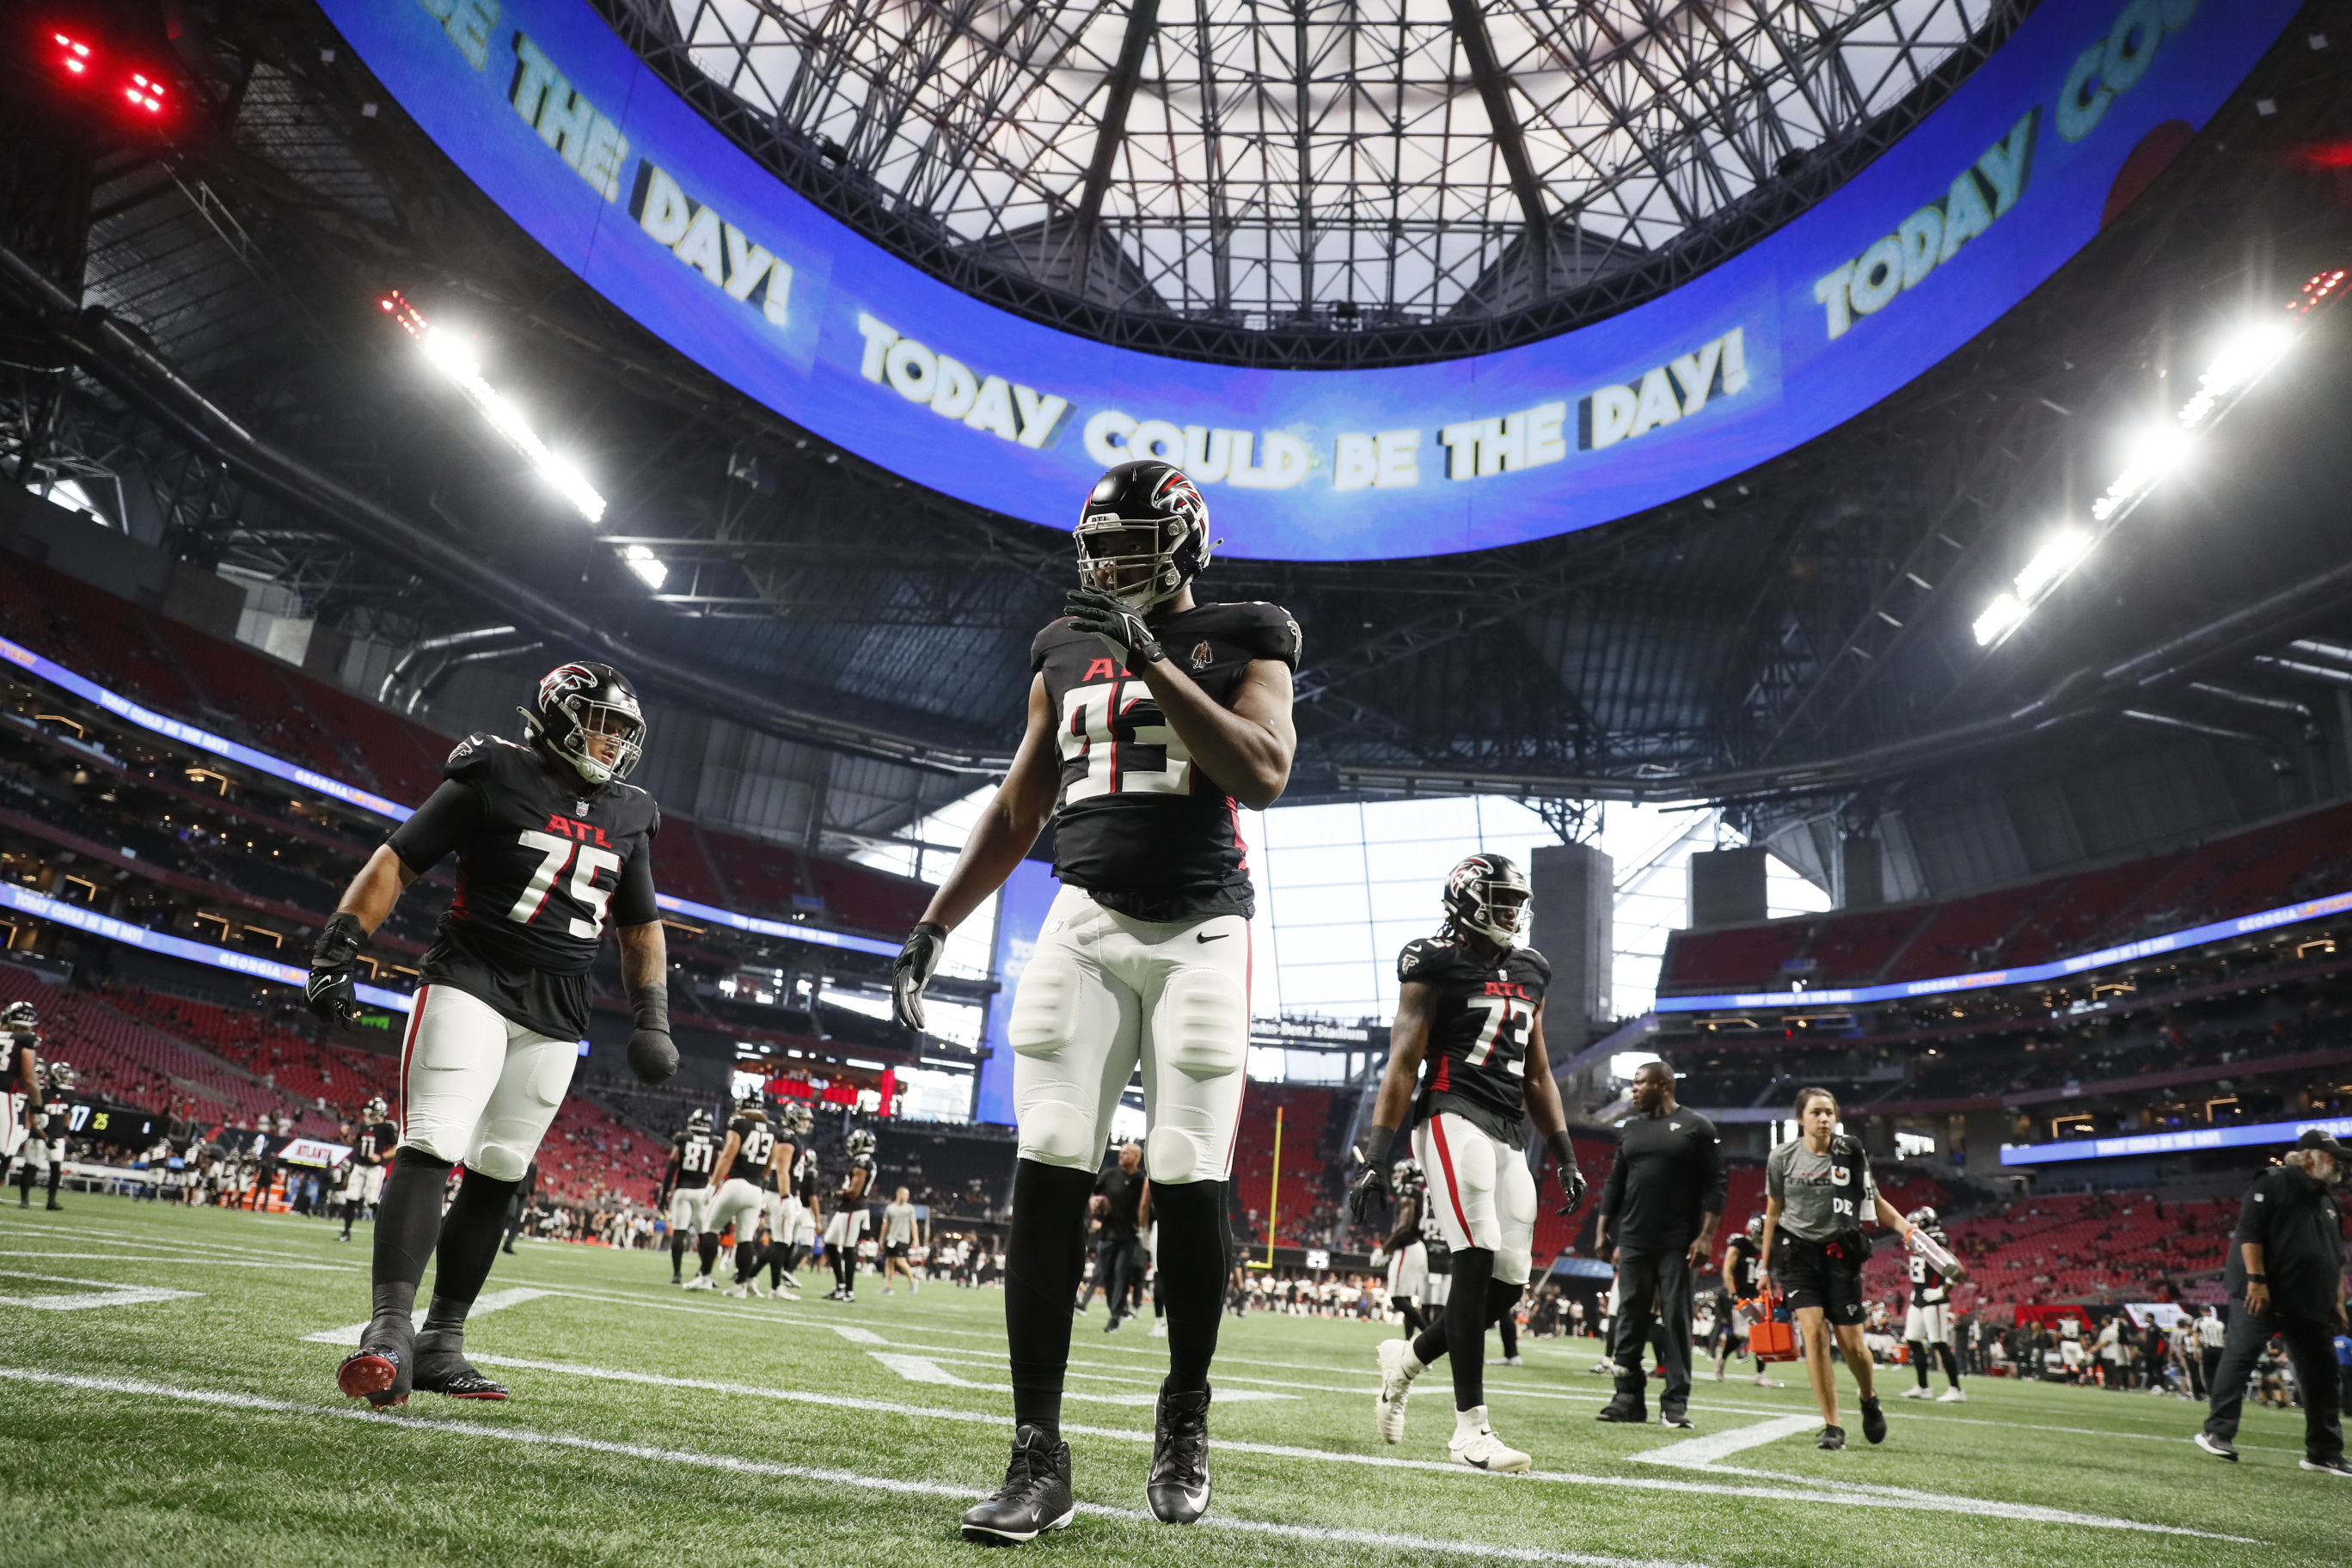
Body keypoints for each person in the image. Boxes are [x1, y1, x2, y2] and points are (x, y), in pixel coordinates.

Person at [891, 458, 1300, 1542]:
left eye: (1133, 542)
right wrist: (937, 921)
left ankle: (1184, 1416)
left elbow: (1261, 770)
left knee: (1184, 1168)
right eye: (1101, 544)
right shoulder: (1060, 650)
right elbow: (1021, 804)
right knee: (1053, 1153)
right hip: (1083, 919)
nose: (1113, 562)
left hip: (1201, 928)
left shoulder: (1248, 634)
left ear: (1182, 543)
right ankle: (1038, 1455)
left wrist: (1155, 656)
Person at [306, 661, 676, 1406]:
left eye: (620, 730)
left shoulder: (631, 812)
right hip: (471, 978)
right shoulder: (494, 771)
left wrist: (652, 1016)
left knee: (500, 1167)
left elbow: (639, 926)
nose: (609, 743)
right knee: (434, 1140)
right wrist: (337, 948)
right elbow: (397, 859)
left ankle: (444, 1342)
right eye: (597, 723)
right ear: (556, 716)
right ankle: (388, 1331)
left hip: (558, 1008)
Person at [1349, 854, 1588, 1473]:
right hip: (1451, 1113)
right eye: (1501, 900)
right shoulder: (1433, 960)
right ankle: (1470, 1432)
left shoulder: (1532, 969)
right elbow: (1404, 1061)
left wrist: (1563, 1153)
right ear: (1466, 900)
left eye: (1516, 901)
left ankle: (1403, 1365)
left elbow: (1537, 1072)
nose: (1512, 912)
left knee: (1508, 1282)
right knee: (1476, 1253)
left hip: (1508, 1126)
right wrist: (1378, 1155)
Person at [1755, 1087, 1920, 1450]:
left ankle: (1868, 1397)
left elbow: (1874, 1202)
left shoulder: (1849, 1153)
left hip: (1840, 1255)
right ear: (1801, 1118)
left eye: (1829, 1112)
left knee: (1853, 1346)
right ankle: (1833, 1425)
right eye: (1816, 1112)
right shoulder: (1781, 1157)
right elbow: (1773, 1212)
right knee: (1812, 1334)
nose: (1824, 1118)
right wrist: (1763, 1266)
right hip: (1798, 1254)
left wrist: (1906, 1228)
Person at [2193, 1129, 2350, 1474]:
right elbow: (2250, 1232)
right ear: (2309, 1156)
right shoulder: (2274, 1181)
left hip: (2309, 1301)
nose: (2340, 1163)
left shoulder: (2329, 1202)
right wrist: (2257, 1280)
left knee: (2323, 1374)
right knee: (2241, 1357)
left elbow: (2333, 1259)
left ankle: (2323, 1452)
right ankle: (2217, 1432)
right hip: (2263, 1294)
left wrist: (2338, 1300)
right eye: (2331, 1156)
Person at [1593, 1059, 1724, 1429]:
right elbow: (1615, 1183)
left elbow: (1717, 1184)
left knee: (1676, 1319)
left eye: (1639, 1084)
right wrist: (1603, 1231)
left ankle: (1675, 1403)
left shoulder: (1697, 1128)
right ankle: (1627, 1398)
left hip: (1677, 1241)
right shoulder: (1630, 1129)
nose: (1633, 1090)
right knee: (1629, 1319)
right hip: (1633, 1239)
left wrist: (1706, 1236)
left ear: (1663, 1085)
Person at [700, 1086, 783, 1298]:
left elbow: (728, 1155)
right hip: (756, 1189)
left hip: (735, 1183)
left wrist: (713, 1184)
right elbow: (770, 1163)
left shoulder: (739, 1123)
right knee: (745, 1238)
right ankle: (740, 1286)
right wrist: (760, 1183)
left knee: (710, 1228)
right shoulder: (772, 1128)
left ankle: (705, 1276)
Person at [1899, 1206, 1964, 1403]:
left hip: (1934, 1299)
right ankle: (1923, 1387)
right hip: (1919, 1298)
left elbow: (1957, 1270)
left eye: (1915, 1223)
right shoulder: (1920, 1240)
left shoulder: (1935, 1239)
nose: (1910, 1228)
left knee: (1939, 1342)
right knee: (1913, 1339)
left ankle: (1956, 1389)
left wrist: (1943, 1290)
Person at [1087, 1142, 1147, 1331]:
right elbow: (1092, 1194)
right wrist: (1094, 1205)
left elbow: (1146, 1206)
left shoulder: (1141, 1180)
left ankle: (1115, 1317)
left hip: (1129, 1236)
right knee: (1108, 1277)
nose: (1122, 1156)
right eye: (1121, 1153)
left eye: (1127, 1153)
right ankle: (1117, 1311)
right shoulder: (1109, 1175)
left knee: (1122, 1276)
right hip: (1107, 1235)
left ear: (1136, 1158)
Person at [1714, 1215, 1779, 1387]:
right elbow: (1727, 1270)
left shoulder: (1769, 1248)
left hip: (1759, 1295)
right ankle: (1723, 1357)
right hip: (1740, 1294)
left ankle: (1760, 1374)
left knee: (1761, 1334)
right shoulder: (1740, 1244)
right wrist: (1733, 1294)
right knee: (1740, 1334)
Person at [661, 1108, 720, 1285]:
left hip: (683, 1190)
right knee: (705, 1233)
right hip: (703, 1191)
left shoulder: (683, 1140)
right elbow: (717, 1169)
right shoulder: (715, 1143)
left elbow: (672, 1168)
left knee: (680, 1232)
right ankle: (704, 1271)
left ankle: (677, 1273)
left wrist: (664, 1193)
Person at [822, 1129, 878, 1302]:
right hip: (847, 1208)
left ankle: (849, 1291)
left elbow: (854, 1192)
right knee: (830, 1243)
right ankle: (840, 1286)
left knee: (847, 1248)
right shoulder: (862, 1161)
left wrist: (834, 1194)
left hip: (854, 1207)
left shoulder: (862, 1162)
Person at [1381, 1160, 1432, 1340]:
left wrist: (1385, 1248)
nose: (1397, 1175)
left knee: (1397, 1298)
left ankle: (1429, 1336)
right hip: (1416, 1247)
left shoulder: (1408, 1192)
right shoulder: (1417, 1192)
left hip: (1407, 1248)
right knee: (1406, 1298)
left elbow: (1404, 1226)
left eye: (1401, 1172)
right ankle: (1409, 1340)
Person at [2, 1002, 46, 1207]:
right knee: (4, 1151)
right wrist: (38, 1106)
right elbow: (30, 1080)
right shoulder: (26, 1040)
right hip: (4, 1097)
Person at [881, 1186, 924, 1295]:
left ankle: (913, 1281)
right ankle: (887, 1287)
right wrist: (882, 1238)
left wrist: (916, 1239)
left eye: (908, 1195)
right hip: (891, 1239)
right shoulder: (890, 1208)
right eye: (905, 1195)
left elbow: (913, 1224)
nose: (907, 1197)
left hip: (903, 1239)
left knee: (900, 1261)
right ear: (898, 1194)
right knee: (889, 1262)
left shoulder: (909, 1209)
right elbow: (886, 1224)